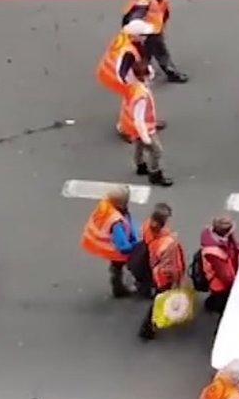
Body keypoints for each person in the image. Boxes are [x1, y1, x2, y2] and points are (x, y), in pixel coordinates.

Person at [122, 0, 188, 83]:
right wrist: (138, 27)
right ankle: (170, 72)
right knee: (159, 52)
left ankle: (136, 74)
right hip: (147, 31)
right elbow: (137, 13)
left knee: (145, 54)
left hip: (155, 28)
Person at [117, 61, 174, 187]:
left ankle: (140, 165)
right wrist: (146, 136)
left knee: (139, 146)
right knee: (156, 151)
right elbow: (139, 119)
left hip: (130, 125)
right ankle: (155, 174)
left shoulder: (132, 86)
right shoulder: (141, 96)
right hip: (143, 128)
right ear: (145, 76)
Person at [137, 203, 186, 341]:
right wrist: (177, 280)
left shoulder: (147, 226)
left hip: (152, 266)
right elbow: (172, 266)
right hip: (162, 276)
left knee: (153, 290)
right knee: (159, 300)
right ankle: (147, 327)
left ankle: (144, 290)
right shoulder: (168, 243)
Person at [80, 185, 140, 298]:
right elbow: (123, 245)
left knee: (116, 269)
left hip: (113, 248)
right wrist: (135, 247)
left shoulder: (106, 208)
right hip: (118, 252)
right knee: (126, 267)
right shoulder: (116, 222)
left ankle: (118, 285)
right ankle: (120, 289)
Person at [200, 216, 239, 319]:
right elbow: (225, 277)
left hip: (222, 276)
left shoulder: (213, 236)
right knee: (223, 304)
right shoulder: (214, 253)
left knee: (218, 298)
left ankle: (211, 304)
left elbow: (233, 244)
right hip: (219, 284)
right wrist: (236, 283)